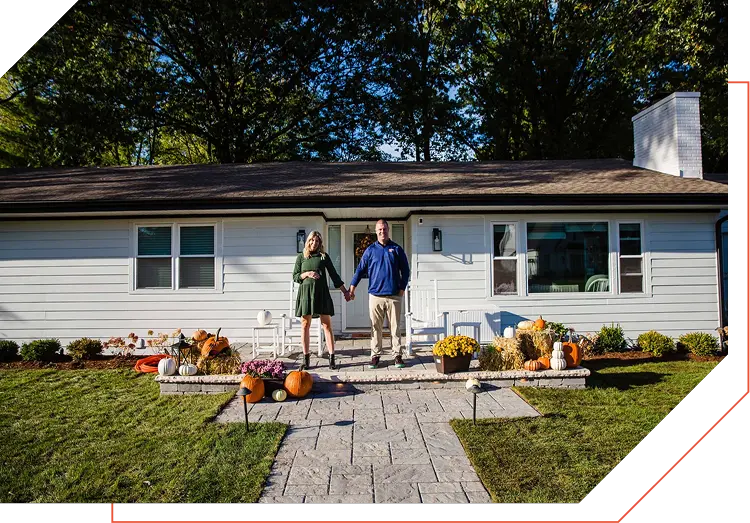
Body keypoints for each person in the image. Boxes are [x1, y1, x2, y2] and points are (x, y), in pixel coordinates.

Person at [349, 219, 410, 369]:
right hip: (375, 296)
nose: (382, 232)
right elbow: (360, 270)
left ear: (388, 230)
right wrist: (352, 288)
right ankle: (375, 355)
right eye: (380, 230)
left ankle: (397, 355)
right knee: (375, 328)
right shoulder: (370, 250)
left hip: (394, 295)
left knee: (395, 328)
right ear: (376, 232)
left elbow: (406, 270)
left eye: (384, 229)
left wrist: (402, 289)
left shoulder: (396, 249)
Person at [293, 230, 350, 370]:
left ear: (320, 243)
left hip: (321, 294)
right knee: (305, 325)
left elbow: (334, 275)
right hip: (306, 295)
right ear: (308, 241)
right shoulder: (301, 257)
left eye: (317, 241)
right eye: (312, 240)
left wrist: (345, 292)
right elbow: (295, 276)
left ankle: (332, 358)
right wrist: (307, 274)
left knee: (327, 325)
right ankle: (306, 359)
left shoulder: (324, 257)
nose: (314, 243)